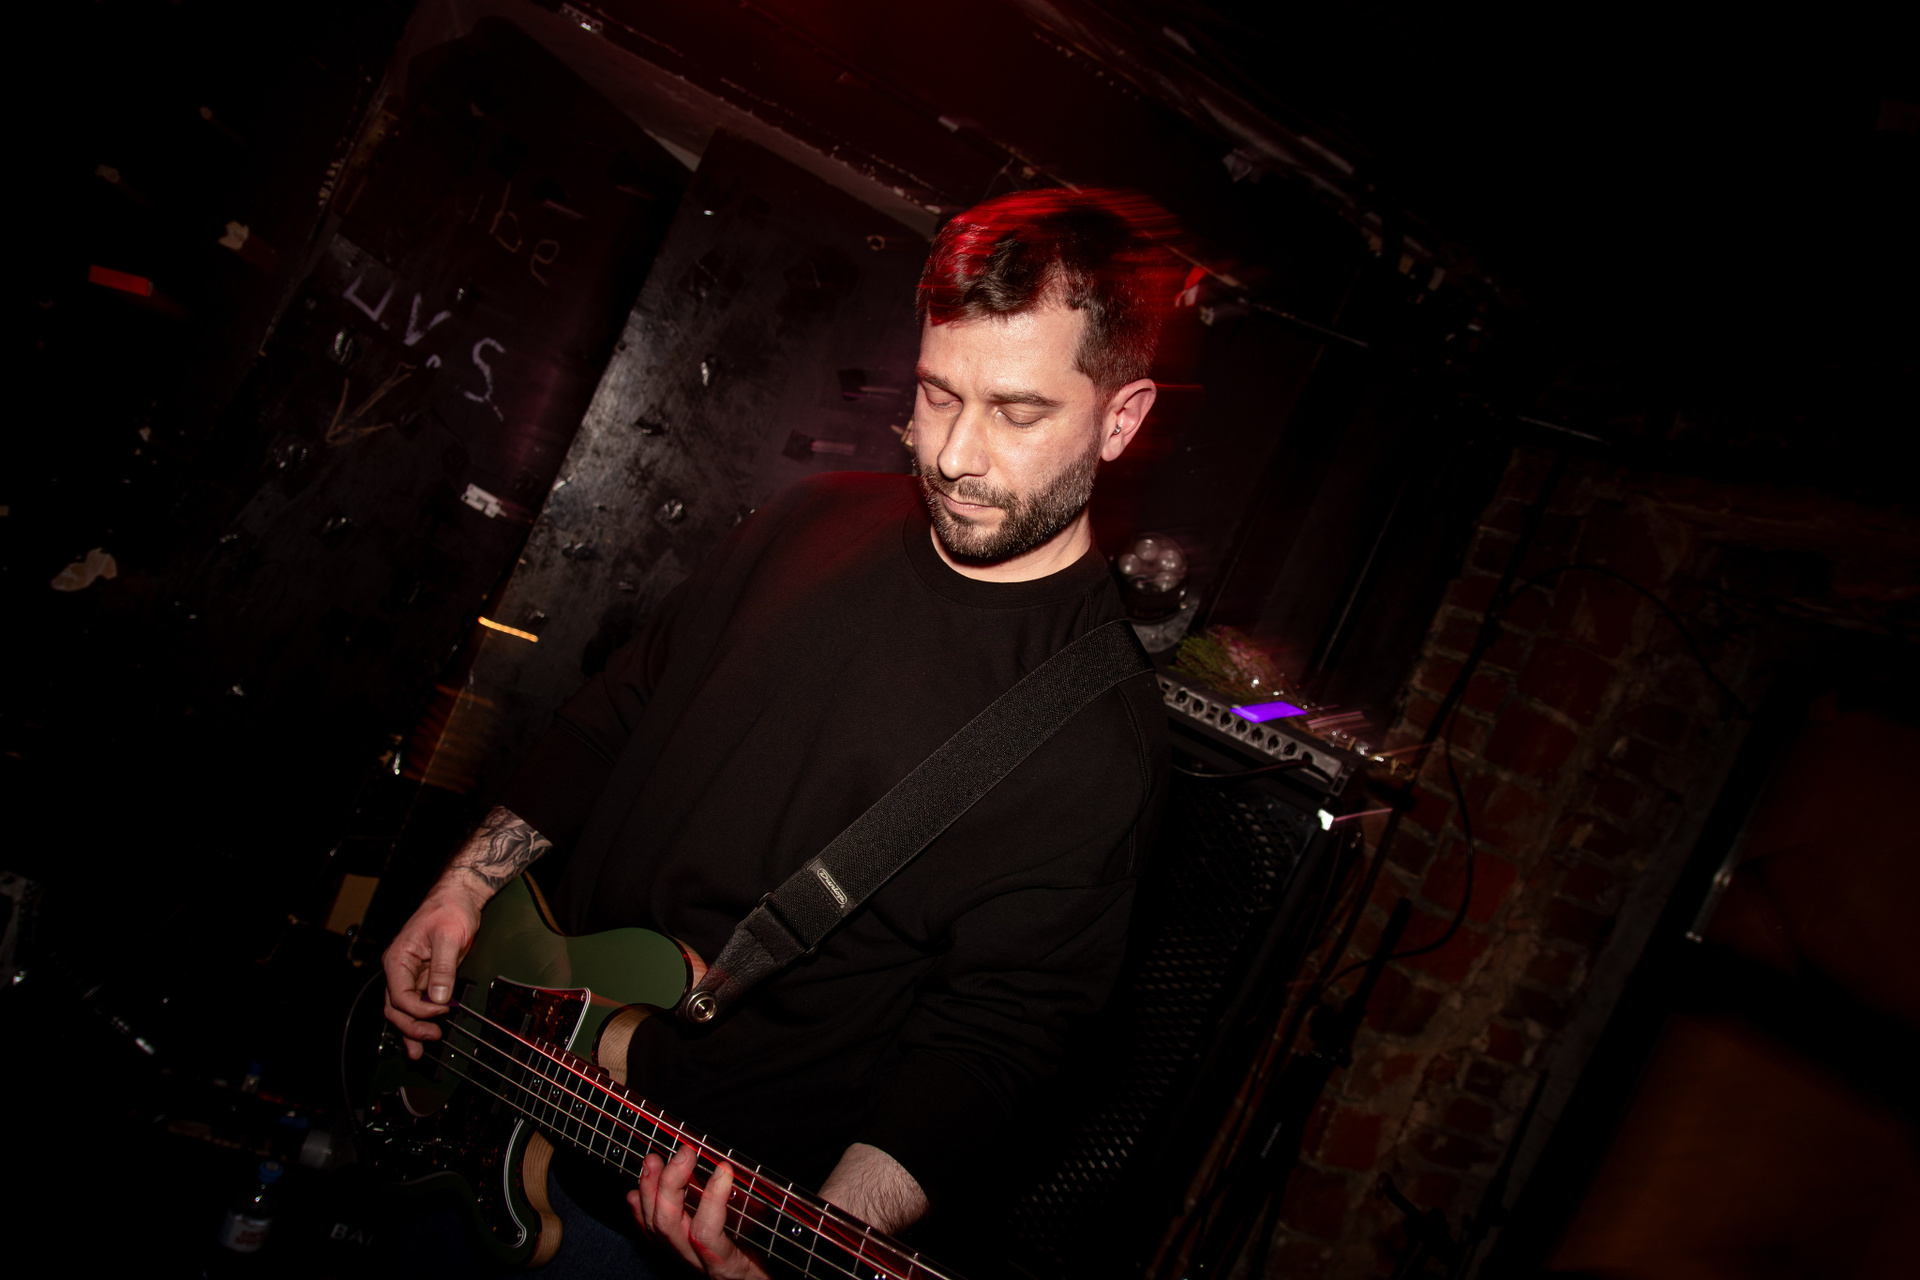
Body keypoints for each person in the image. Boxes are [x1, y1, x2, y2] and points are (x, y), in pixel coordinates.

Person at [382, 188, 1176, 1277]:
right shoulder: (811, 520)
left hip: (668, 1216)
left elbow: (993, 1045)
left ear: (1120, 420)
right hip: (494, 1064)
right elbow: (616, 710)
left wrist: (816, 1239)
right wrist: (463, 890)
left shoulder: (1093, 743)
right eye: (938, 393)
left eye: (1019, 411)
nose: (955, 454)